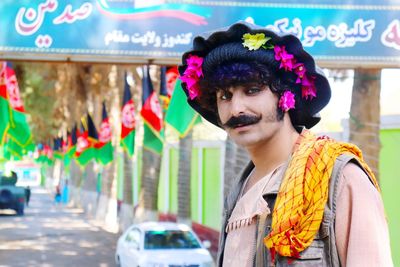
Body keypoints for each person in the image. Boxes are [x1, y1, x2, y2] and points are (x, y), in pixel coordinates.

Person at [178, 21, 393, 266]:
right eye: (225, 96)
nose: (236, 108)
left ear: (286, 97)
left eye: (252, 90)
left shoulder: (338, 179)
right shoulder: (239, 190)